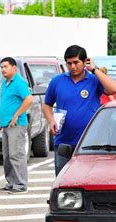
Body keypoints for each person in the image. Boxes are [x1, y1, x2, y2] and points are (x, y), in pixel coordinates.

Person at [43, 45, 116, 176]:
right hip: (63, 142)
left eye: (76, 62)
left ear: (84, 62)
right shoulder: (57, 81)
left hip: (89, 144)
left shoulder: (94, 79)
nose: (72, 67)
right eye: (69, 63)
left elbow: (113, 89)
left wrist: (94, 69)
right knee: (62, 180)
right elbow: (47, 104)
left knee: (87, 180)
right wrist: (50, 121)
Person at [0, 57, 34, 194]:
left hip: (16, 125)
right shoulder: (5, 83)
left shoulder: (18, 82)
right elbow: (6, 103)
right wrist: (1, 121)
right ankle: (11, 182)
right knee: (7, 155)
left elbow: (29, 99)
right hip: (6, 125)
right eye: (1, 67)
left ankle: (20, 185)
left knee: (16, 154)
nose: (3, 69)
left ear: (14, 68)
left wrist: (17, 114)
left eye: (5, 67)